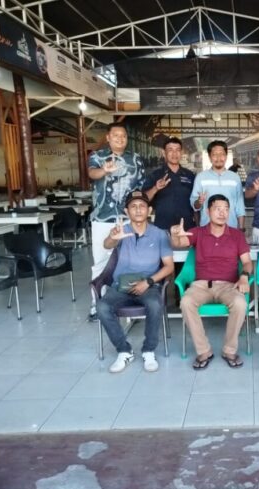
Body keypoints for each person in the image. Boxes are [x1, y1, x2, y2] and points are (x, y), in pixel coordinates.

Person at [170, 194, 253, 370]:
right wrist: (175, 234)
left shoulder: (237, 235)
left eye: (226, 209)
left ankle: (229, 350)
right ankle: (204, 351)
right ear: (208, 211)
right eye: (217, 209)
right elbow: (178, 243)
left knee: (240, 303)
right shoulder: (198, 232)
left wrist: (244, 276)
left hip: (229, 285)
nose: (222, 213)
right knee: (186, 302)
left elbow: (247, 262)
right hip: (202, 285)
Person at [97, 191, 174, 373]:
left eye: (142, 206)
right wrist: (112, 238)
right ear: (126, 211)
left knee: (155, 304)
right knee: (102, 307)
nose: (138, 210)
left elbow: (169, 266)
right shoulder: (121, 231)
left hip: (148, 285)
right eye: (133, 206)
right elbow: (107, 245)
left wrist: (148, 282)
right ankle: (124, 351)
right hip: (120, 286)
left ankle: (148, 350)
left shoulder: (160, 234)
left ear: (149, 210)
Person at [87, 122, 145, 320]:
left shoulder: (135, 159)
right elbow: (92, 173)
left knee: (130, 261)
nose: (120, 139)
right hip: (102, 218)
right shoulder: (97, 156)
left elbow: (139, 188)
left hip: (128, 218)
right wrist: (104, 170)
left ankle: (127, 299)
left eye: (124, 136)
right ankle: (96, 304)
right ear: (108, 137)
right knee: (101, 261)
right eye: (116, 135)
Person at [142, 136, 196, 230]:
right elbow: (144, 199)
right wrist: (155, 188)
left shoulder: (190, 175)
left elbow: (195, 204)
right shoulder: (155, 175)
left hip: (186, 228)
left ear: (181, 153)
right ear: (164, 153)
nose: (174, 153)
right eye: (170, 150)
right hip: (163, 229)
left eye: (177, 150)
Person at [190, 141, 246, 230]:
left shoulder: (235, 178)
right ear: (209, 157)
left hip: (231, 228)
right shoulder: (201, 177)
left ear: (226, 156)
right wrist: (199, 202)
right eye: (215, 154)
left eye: (222, 154)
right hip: (207, 230)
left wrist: (241, 228)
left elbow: (240, 206)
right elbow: (195, 206)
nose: (219, 158)